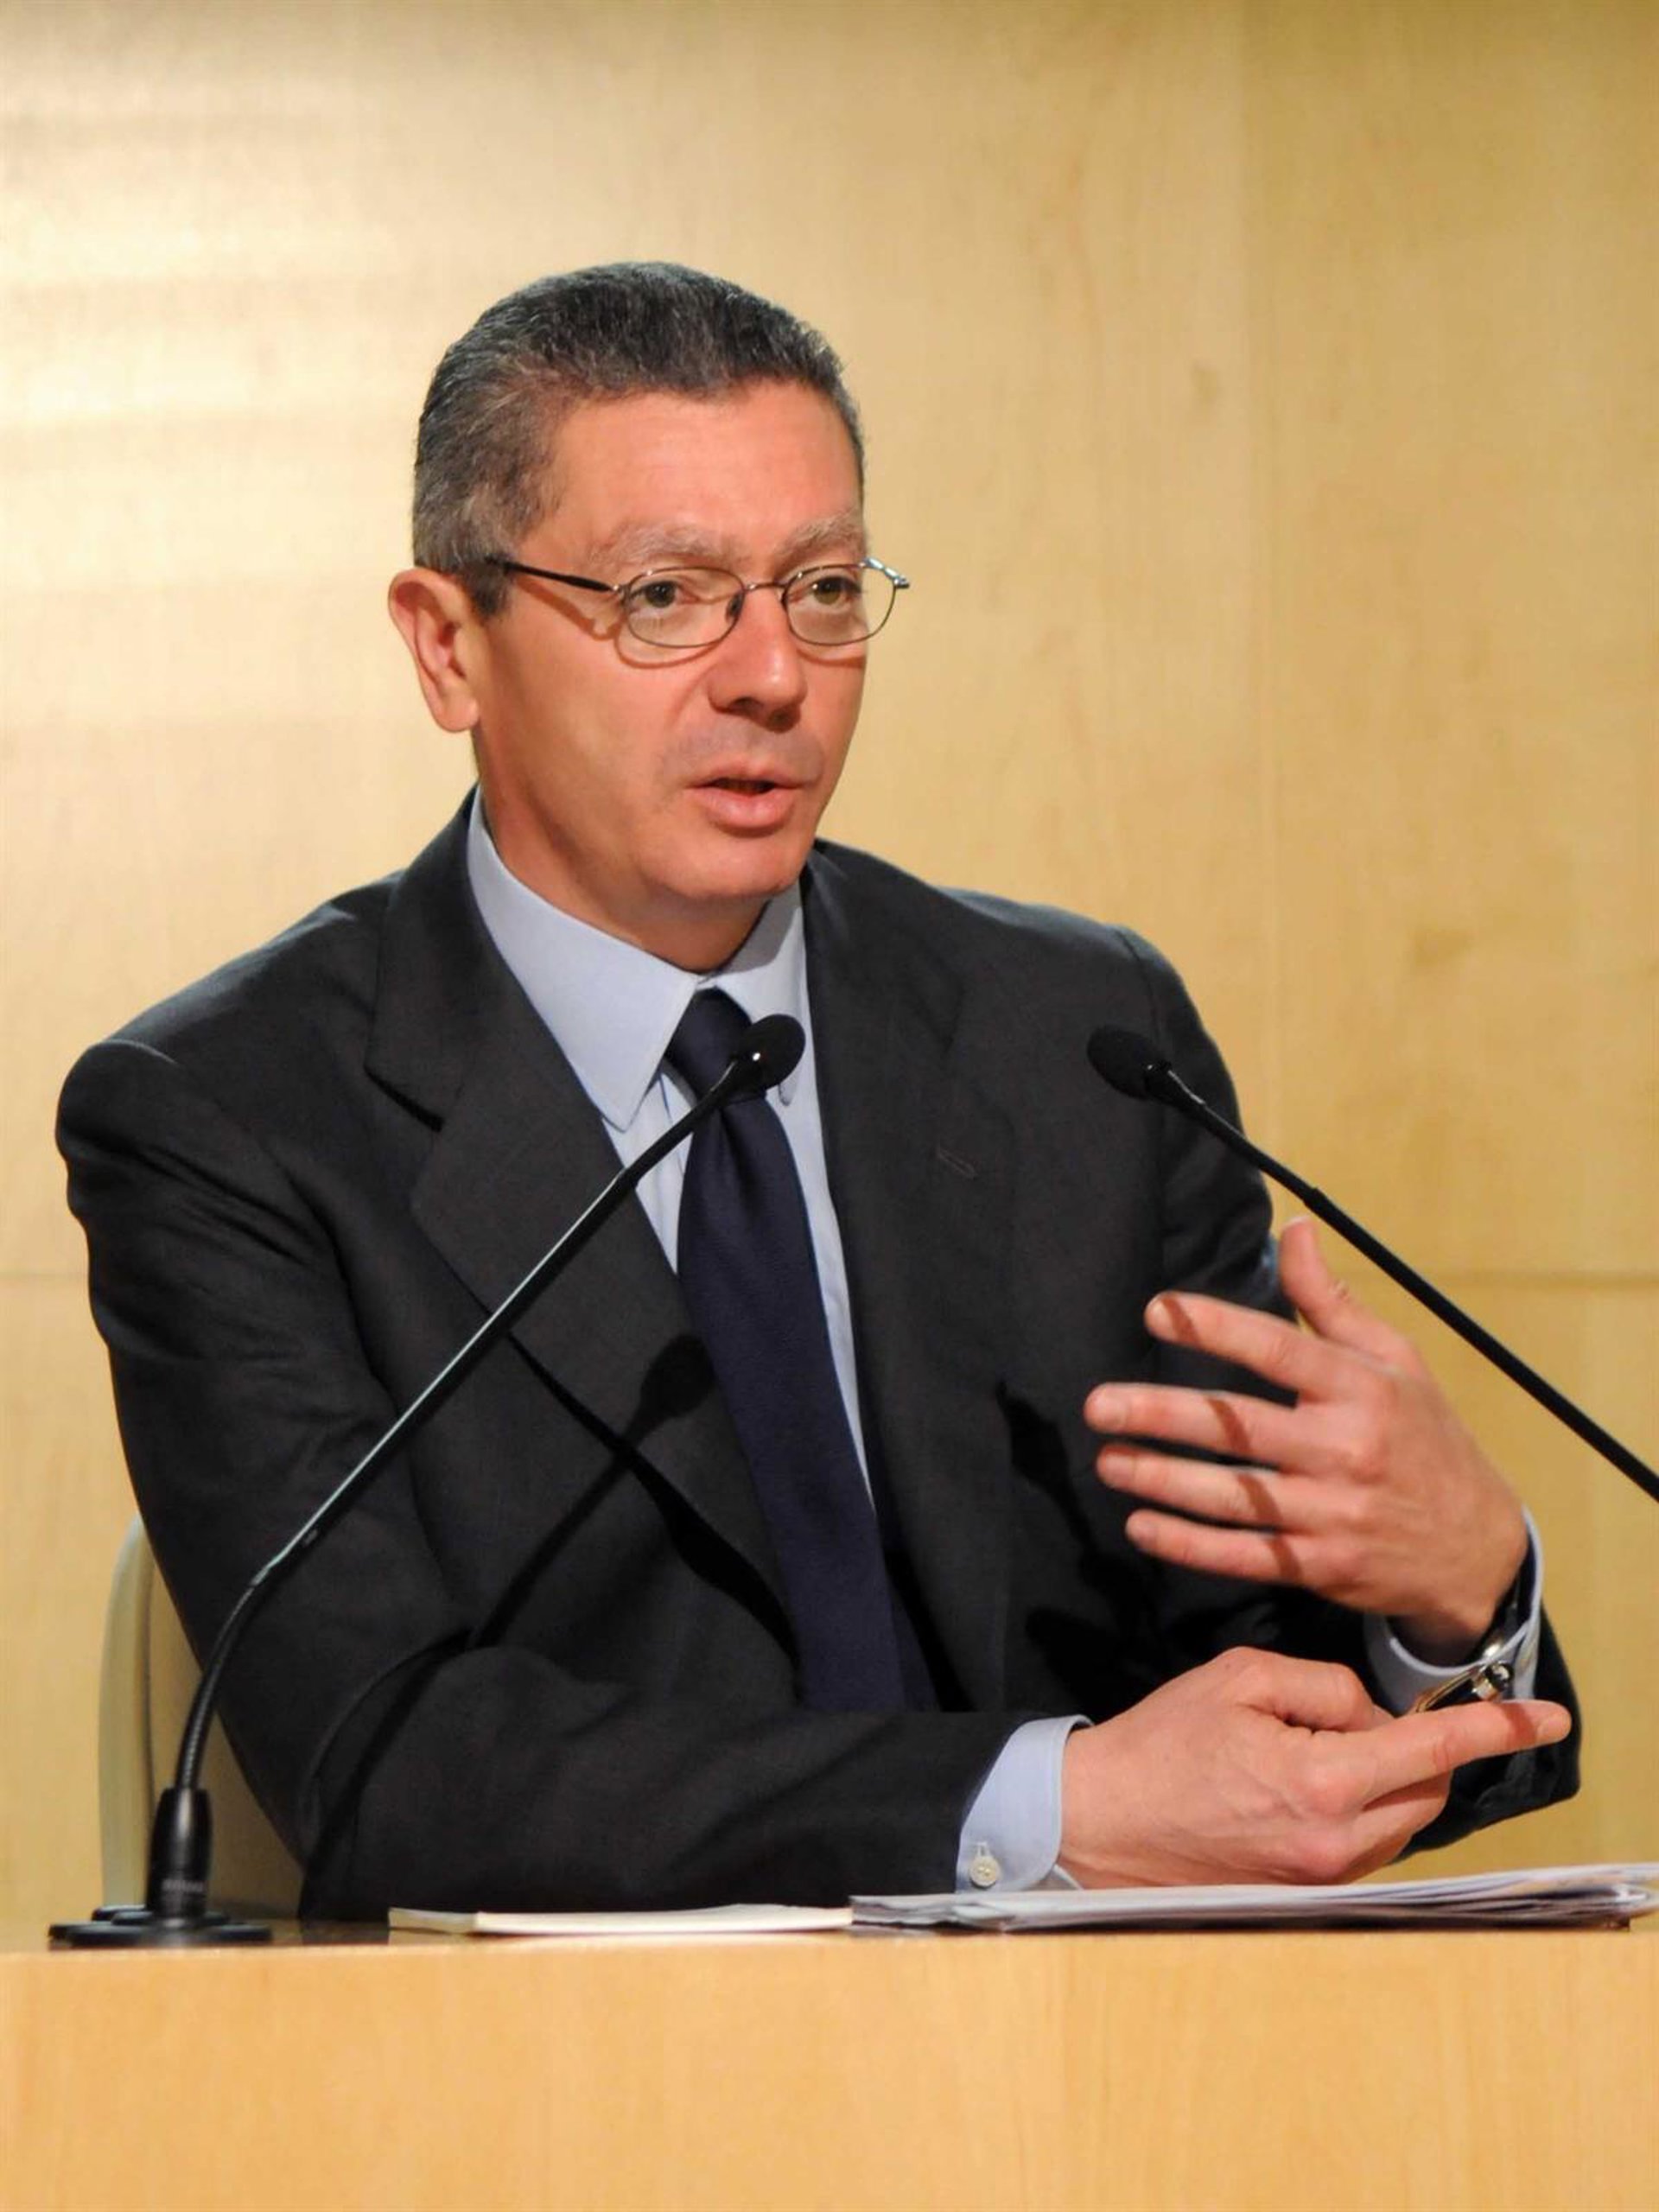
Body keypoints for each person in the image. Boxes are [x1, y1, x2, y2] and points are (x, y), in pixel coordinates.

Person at [60, 264, 1574, 1916]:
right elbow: (387, 1762)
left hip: (1112, 2053)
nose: (773, 675)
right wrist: (1039, 1806)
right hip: (570, 2067)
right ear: (448, 648)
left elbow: (1252, 1739)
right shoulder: (231, 1117)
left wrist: (1446, 1598)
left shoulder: (1081, 1042)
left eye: (826, 589)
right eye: (666, 596)